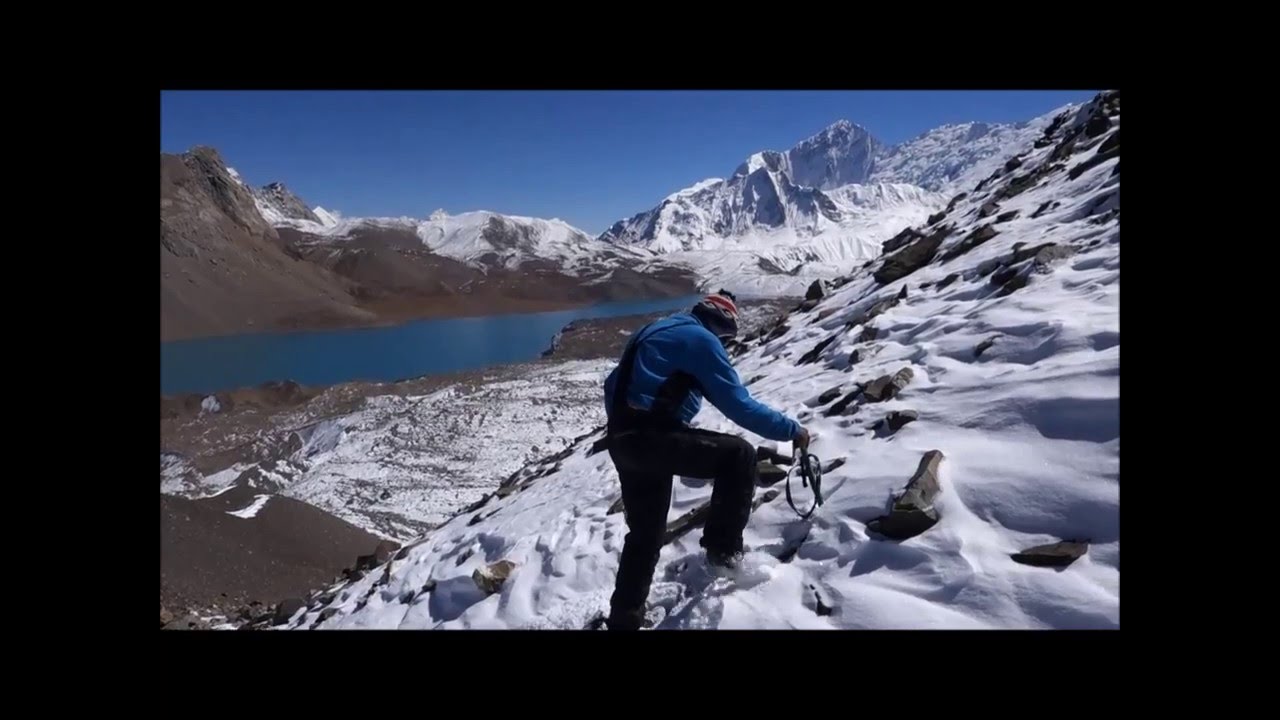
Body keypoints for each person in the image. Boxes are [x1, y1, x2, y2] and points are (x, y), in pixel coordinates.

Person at [601, 289, 809, 630]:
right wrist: (792, 430)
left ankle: (624, 619)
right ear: (721, 323)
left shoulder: (657, 329)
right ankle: (724, 556)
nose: (724, 344)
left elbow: (614, 384)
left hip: (623, 441)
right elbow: (739, 405)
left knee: (645, 536)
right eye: (726, 336)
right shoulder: (701, 340)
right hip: (653, 437)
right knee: (739, 455)